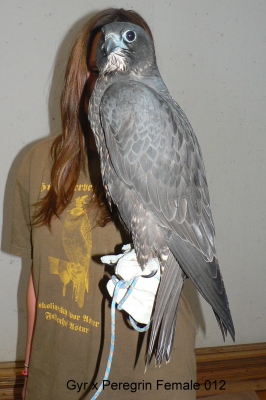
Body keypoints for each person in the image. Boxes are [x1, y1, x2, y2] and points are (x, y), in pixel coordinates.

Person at [10, 8, 197, 400]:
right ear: (78, 75)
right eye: (98, 63)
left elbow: (190, 249)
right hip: (59, 370)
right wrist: (30, 369)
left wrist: (157, 269)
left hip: (150, 375)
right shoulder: (33, 163)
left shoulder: (163, 149)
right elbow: (36, 278)